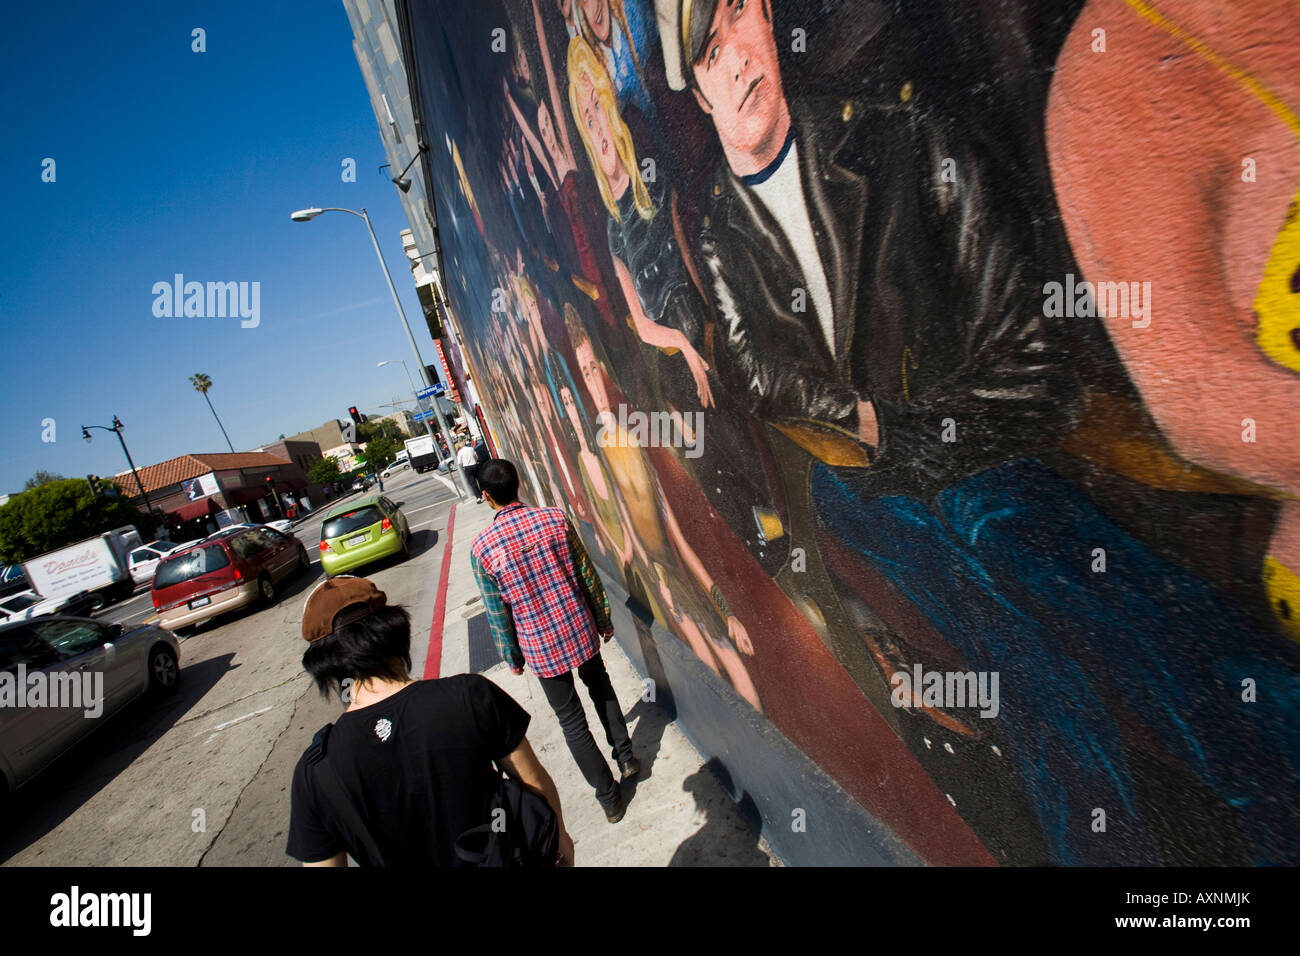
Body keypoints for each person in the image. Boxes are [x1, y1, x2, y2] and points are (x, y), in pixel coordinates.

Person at [286, 575, 574, 866]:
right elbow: (533, 782)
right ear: (394, 629)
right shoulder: (468, 696)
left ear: (323, 665)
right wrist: (560, 842)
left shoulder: (315, 774)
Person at [470, 458, 639, 822]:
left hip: (540, 645)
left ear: (486, 496)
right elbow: (586, 574)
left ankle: (609, 799)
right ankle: (625, 757)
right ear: (518, 483)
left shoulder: (482, 550)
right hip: (578, 626)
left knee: (571, 721)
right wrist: (602, 617)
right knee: (601, 686)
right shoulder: (554, 519)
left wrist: (512, 656)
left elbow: (497, 613)